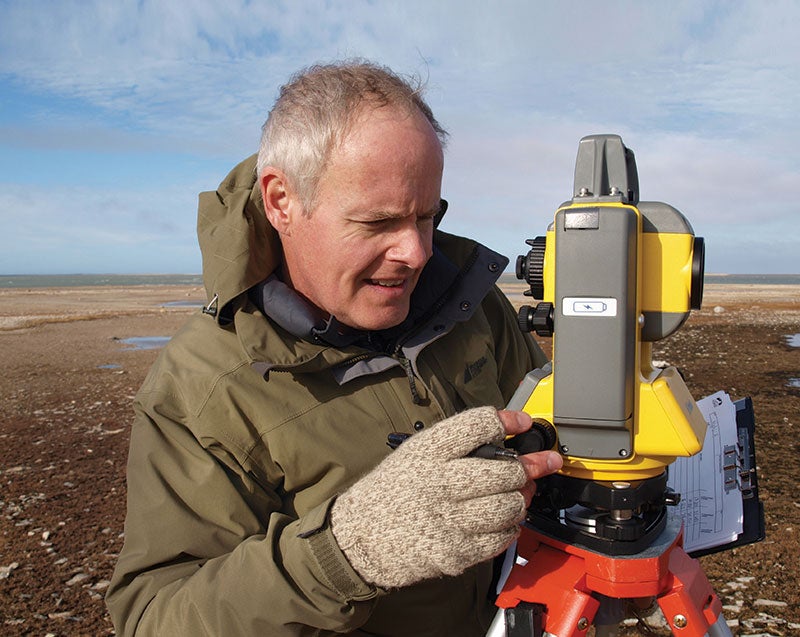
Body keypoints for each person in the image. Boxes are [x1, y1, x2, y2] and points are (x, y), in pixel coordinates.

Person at [106, 60, 563, 636]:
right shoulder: (201, 389)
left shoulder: (471, 300)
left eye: (427, 216)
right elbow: (154, 617)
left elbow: (552, 434)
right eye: (377, 223)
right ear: (282, 202)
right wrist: (345, 554)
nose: (417, 253)